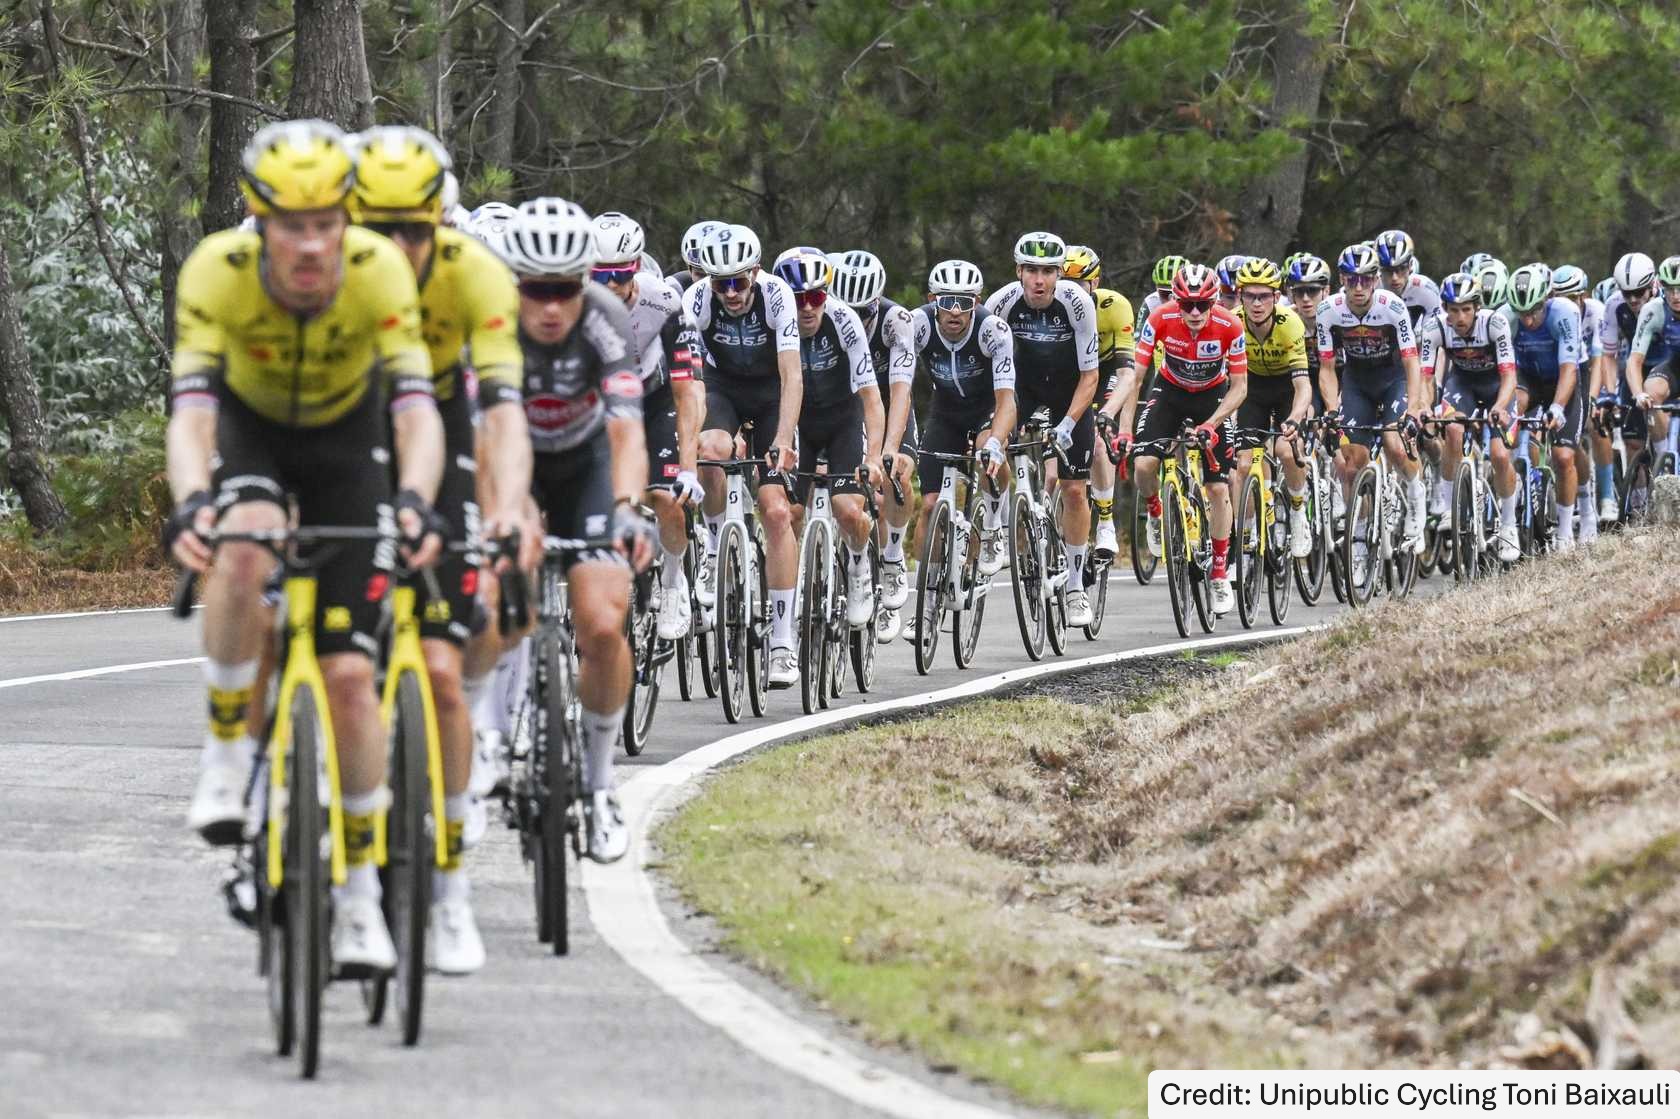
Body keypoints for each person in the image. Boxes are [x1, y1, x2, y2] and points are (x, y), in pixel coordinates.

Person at [167, 119, 447, 972]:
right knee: (244, 543)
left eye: (328, 223)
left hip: (346, 448)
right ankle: (225, 754)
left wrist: (414, 502)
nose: (313, 243)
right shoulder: (216, 270)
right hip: (253, 434)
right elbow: (192, 414)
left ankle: (362, 895)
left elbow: (416, 412)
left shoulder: (377, 271)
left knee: (352, 677)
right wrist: (192, 507)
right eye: (294, 225)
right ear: (260, 221)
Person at [352, 124, 534, 972]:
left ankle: (452, 887)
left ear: (442, 228)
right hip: (345, 432)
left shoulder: (473, 276)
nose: (397, 247)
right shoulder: (329, 271)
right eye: (377, 229)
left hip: (446, 437)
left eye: (414, 231)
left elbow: (502, 415)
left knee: (437, 668)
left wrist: (502, 513)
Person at [497, 197, 656, 863]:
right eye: (538, 289)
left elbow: (626, 426)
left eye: (566, 287)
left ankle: (597, 784)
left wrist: (626, 505)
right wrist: (507, 510)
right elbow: (489, 433)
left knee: (600, 620)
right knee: (498, 587)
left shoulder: (606, 318)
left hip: (587, 466)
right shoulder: (492, 325)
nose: (553, 306)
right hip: (516, 463)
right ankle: (496, 735)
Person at [686, 223, 805, 686]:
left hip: (771, 389)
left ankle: (781, 641)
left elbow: (792, 376)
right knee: (710, 450)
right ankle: (715, 546)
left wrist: (784, 438)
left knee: (776, 511)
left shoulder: (778, 296)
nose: (731, 293)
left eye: (739, 282)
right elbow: (692, 383)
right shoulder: (696, 300)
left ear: (755, 273)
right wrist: (691, 437)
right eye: (722, 284)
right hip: (722, 388)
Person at [1098, 263, 1248, 615]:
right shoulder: (1159, 319)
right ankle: (1155, 511)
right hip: (1168, 391)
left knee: (1217, 489)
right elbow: (1134, 378)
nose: (1194, 312)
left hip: (1212, 395)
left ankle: (1220, 571)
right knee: (1144, 464)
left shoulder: (1230, 325)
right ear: (1175, 301)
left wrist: (1213, 423)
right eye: (1186, 304)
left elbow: (1240, 387)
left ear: (1214, 302)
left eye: (1202, 304)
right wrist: (1123, 428)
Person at [591, 211, 707, 641]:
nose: (608, 287)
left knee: (666, 496)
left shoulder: (664, 301)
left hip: (656, 399)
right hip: (602, 400)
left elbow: (688, 389)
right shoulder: (574, 302)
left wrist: (690, 468)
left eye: (618, 275)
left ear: (636, 267)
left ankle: (674, 583)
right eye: (597, 275)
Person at [985, 231, 1101, 625]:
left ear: (1059, 273)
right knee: (990, 443)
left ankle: (1074, 586)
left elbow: (1091, 375)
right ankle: (997, 523)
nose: (1039, 280)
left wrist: (1069, 422)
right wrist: (999, 426)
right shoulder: (1000, 303)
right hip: (1024, 388)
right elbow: (991, 371)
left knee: (1072, 489)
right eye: (1031, 270)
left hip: (1071, 390)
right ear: (1018, 271)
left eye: (1049, 271)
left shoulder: (1078, 303)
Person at [774, 248, 887, 626]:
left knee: (848, 509)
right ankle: (789, 595)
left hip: (842, 419)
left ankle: (859, 569)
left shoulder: (844, 321)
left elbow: (872, 398)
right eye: (798, 298)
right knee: (788, 511)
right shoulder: (774, 322)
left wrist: (873, 458)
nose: (808, 307)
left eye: (816, 296)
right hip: (797, 425)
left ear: (828, 294)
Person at [1316, 243, 1427, 553]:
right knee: (1352, 463)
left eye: (1366, 279)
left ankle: (1416, 497)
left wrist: (1414, 405)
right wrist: (1331, 407)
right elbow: (1327, 367)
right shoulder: (1330, 311)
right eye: (1352, 279)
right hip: (1357, 382)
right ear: (1342, 280)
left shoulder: (1392, 307)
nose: (1359, 287)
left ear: (1376, 279)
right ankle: (1360, 534)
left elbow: (1411, 361)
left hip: (1394, 379)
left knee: (1394, 443)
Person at [830, 249, 918, 640]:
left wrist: (890, 447)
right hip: (846, 407)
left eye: (863, 312)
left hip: (887, 402)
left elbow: (901, 392)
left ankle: (894, 554)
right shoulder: (825, 316)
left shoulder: (896, 322)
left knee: (895, 474)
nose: (855, 321)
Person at [911, 260, 1018, 574]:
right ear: (933, 301)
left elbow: (1007, 400)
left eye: (965, 303)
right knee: (930, 505)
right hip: (945, 412)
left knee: (988, 451)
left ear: (978, 303)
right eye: (947, 302)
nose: (955, 311)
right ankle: (925, 598)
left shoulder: (992, 330)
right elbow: (899, 383)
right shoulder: (918, 324)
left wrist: (997, 442)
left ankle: (995, 524)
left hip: (989, 408)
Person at [1417, 271, 1520, 561]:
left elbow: (1510, 376)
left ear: (1476, 307)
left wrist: (1500, 406)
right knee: (1451, 430)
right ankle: (1451, 506)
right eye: (1453, 310)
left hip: (1497, 387)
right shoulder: (1434, 327)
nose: (1460, 317)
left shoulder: (1495, 323)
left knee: (1499, 456)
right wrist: (1425, 405)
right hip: (1462, 384)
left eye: (1466, 309)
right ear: (1445, 310)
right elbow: (1425, 376)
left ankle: (1509, 525)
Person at [1231, 257, 1314, 558]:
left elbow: (1304, 386)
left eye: (1264, 295)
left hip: (1285, 388)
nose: (1256, 303)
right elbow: (1224, 379)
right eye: (1250, 295)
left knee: (1284, 451)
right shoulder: (1232, 321)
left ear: (1276, 297)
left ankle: (1297, 510)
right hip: (1250, 389)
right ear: (1240, 296)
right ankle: (1245, 535)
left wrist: (1294, 418)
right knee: (1243, 464)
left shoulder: (1290, 323)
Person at [1061, 245, 1135, 559]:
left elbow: (1127, 373)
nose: (1071, 292)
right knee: (1054, 471)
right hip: (1071, 373)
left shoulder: (1114, 305)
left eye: (1079, 285)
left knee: (1099, 442)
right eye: (1065, 284)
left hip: (1105, 372)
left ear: (1094, 282)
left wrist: (1106, 412)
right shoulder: (1053, 307)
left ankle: (1105, 520)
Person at [1504, 263, 1585, 550]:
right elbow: (1506, 373)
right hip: (1528, 379)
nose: (1527, 320)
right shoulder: (1506, 317)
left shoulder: (1564, 312)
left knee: (1563, 457)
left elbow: (1569, 368)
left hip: (1563, 380)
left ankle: (1565, 532)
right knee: (1514, 406)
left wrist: (1559, 407)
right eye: (1521, 313)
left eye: (1534, 311)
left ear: (1546, 299)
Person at [1594, 251, 1659, 523]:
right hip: (1635, 367)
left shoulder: (1666, 301)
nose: (1633, 299)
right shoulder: (1613, 306)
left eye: (1640, 292)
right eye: (1627, 292)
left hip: (1667, 366)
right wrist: (1609, 392)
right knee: (1632, 440)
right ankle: (1640, 507)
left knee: (1663, 426)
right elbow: (1608, 356)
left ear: (1653, 284)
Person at [1374, 229, 1441, 329]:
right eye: (1388, 270)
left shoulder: (1427, 289)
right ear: (1379, 269)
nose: (1394, 277)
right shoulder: (1370, 288)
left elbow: (1433, 333)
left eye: (1401, 269)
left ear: (1410, 266)